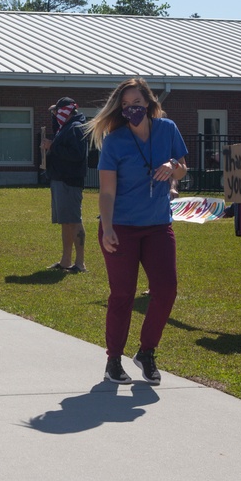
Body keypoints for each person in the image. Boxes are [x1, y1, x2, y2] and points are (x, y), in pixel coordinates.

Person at [86, 77, 188, 385]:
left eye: (138, 104)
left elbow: (183, 168)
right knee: (122, 295)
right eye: (126, 105)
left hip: (157, 225)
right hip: (122, 228)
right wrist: (107, 229)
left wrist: (172, 168)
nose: (132, 109)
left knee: (166, 290)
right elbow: (106, 191)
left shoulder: (167, 129)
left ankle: (146, 352)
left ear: (150, 103)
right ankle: (113, 360)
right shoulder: (115, 140)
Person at [41, 97, 88, 273]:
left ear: (66, 111)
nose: (55, 115)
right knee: (65, 222)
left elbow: (76, 154)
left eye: (57, 111)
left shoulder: (75, 128)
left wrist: (52, 146)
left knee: (74, 221)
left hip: (70, 181)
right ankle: (66, 260)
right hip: (60, 179)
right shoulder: (66, 127)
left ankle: (80, 263)